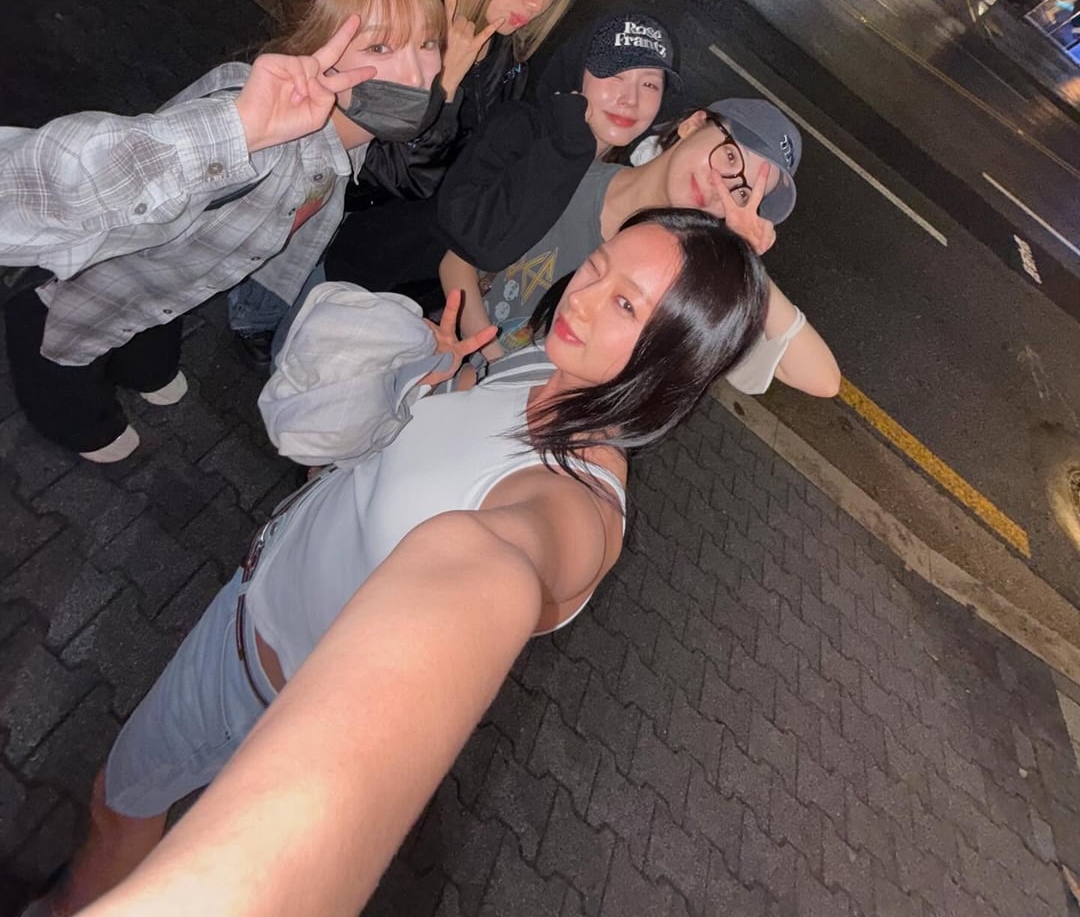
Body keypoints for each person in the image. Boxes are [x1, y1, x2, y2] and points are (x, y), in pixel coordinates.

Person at [35, 209, 769, 917]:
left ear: (672, 361)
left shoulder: (576, 509)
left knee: (115, 805)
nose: (582, 298)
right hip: (256, 587)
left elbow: (495, 568)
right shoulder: (546, 364)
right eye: (598, 268)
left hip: (254, 682)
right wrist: (440, 380)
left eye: (625, 305)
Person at [0, 0, 444, 462]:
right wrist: (234, 132)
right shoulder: (256, 131)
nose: (419, 74)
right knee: (61, 362)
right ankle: (76, 422)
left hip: (169, 288)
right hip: (90, 285)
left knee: (151, 344)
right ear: (316, 48)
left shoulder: (350, 138)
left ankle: (139, 367)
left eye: (429, 42)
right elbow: (84, 173)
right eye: (380, 47)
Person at [232, 0, 588, 362]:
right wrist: (446, 84)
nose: (536, 3)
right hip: (339, 239)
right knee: (285, 353)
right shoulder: (411, 23)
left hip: (400, 259)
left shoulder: (507, 57)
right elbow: (376, 172)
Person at [441, 98, 841, 396]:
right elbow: (457, 261)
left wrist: (743, 257)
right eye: (729, 156)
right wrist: (492, 359)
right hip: (444, 356)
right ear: (693, 124)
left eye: (742, 194)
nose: (720, 187)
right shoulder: (570, 175)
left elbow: (820, 379)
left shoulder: (682, 283)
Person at [431, 10, 683, 307]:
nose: (631, 99)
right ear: (577, 71)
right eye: (615, 74)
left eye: (650, 85)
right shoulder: (517, 127)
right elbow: (481, 244)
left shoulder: (618, 189)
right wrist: (570, 144)